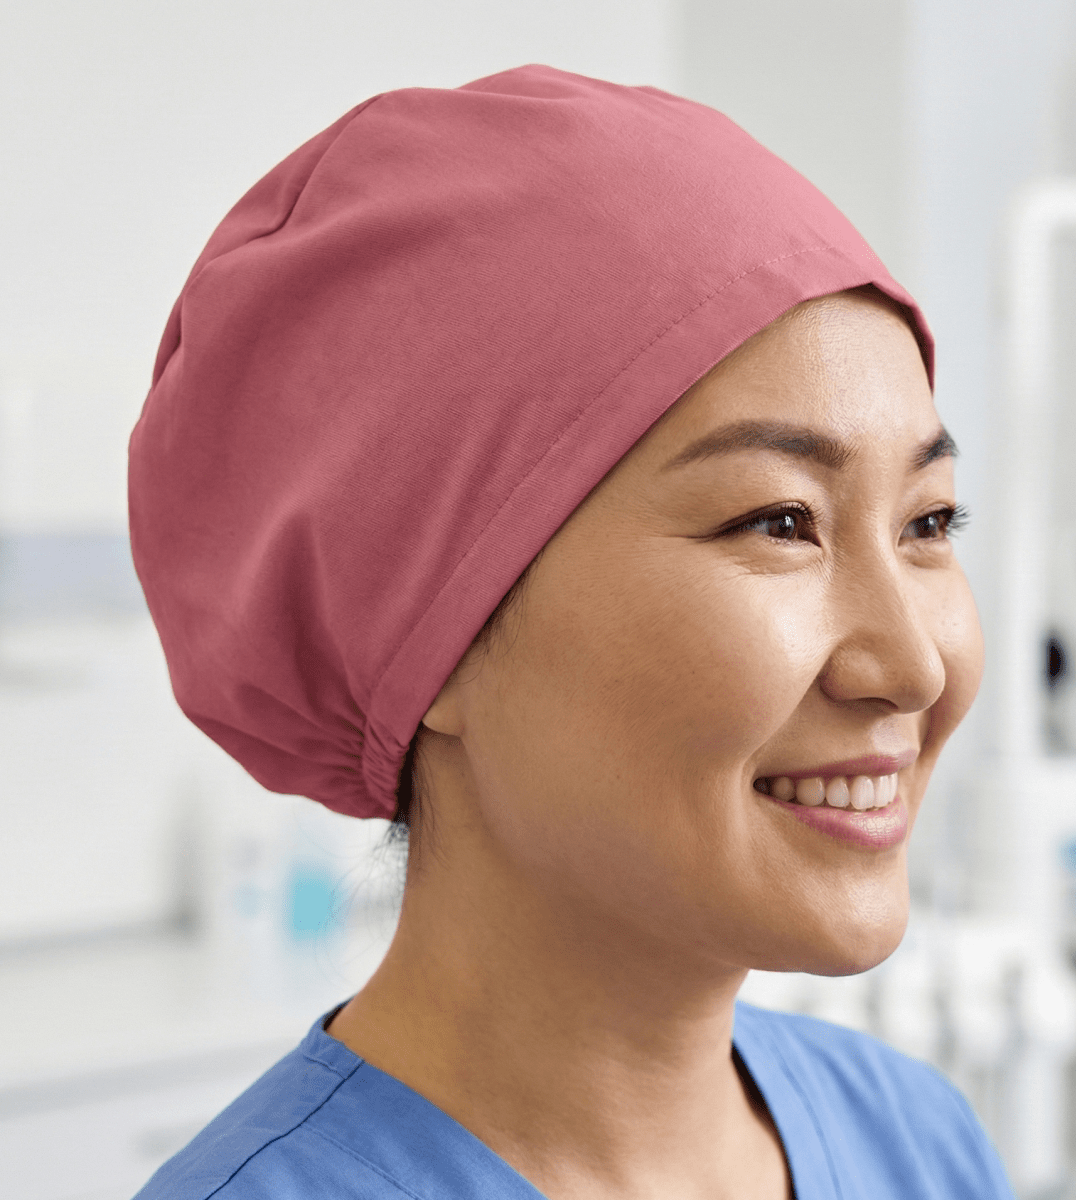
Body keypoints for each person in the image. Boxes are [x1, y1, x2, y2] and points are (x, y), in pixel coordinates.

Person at [128, 64, 1006, 1199]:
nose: (914, 663)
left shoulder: (915, 1140)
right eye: (780, 522)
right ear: (424, 640)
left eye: (929, 521)